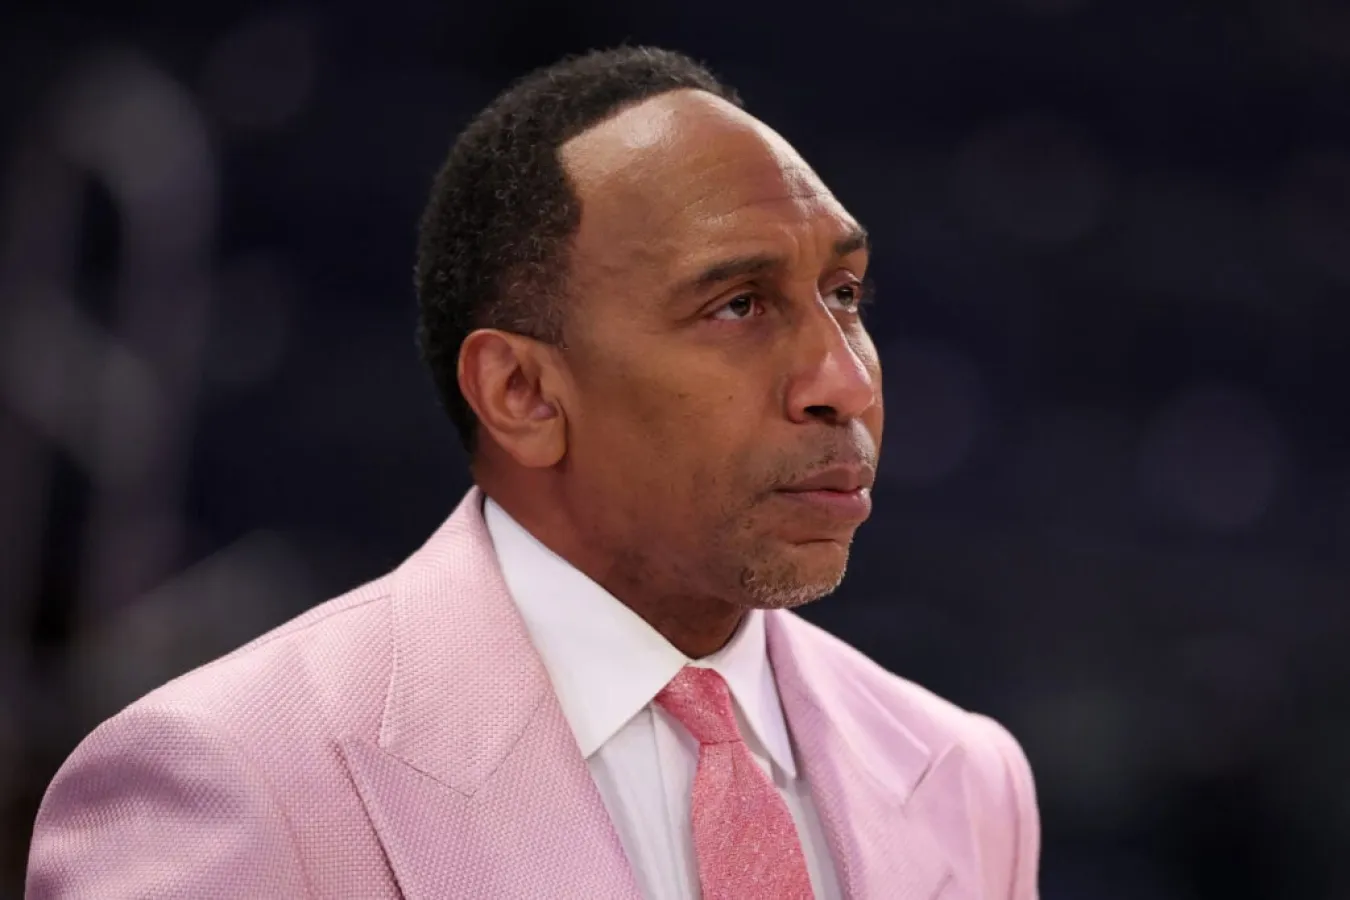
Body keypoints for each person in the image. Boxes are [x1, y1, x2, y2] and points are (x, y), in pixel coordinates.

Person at [27, 46, 1040, 899]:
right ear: (521, 392)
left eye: (846, 294)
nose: (841, 379)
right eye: (738, 304)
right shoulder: (229, 778)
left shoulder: (968, 777)